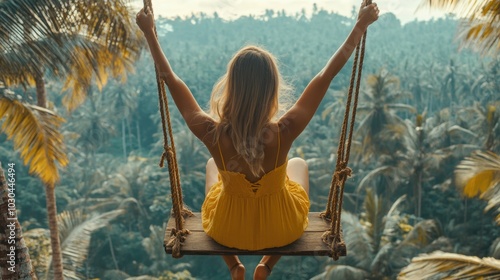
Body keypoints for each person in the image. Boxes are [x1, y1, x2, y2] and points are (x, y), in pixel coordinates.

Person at [136, 1, 379, 279]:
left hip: (228, 230)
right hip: (282, 229)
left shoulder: (212, 133)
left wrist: (150, 33)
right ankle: (266, 265)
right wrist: (360, 26)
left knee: (212, 168)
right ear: (272, 90)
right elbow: (325, 75)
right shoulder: (285, 130)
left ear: (232, 88)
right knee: (298, 164)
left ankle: (234, 266)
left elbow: (171, 80)